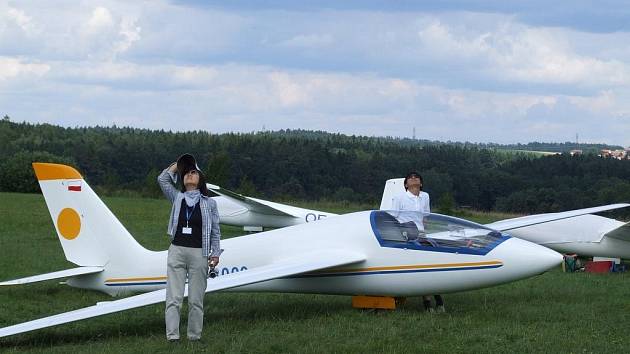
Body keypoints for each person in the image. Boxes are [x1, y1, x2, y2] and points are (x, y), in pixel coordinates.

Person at [158, 153, 221, 342]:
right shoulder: (177, 198)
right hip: (177, 251)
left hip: (199, 254)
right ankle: (173, 337)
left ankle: (194, 337)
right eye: (187, 173)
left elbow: (216, 230)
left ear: (201, 179)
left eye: (194, 172)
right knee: (174, 298)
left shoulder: (209, 203)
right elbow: (162, 179)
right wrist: (178, 165)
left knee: (195, 300)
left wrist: (215, 253)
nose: (189, 175)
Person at [392, 171, 445, 313]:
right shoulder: (399, 197)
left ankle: (438, 299)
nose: (414, 179)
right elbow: (393, 218)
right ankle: (428, 302)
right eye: (410, 178)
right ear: (406, 184)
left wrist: (425, 235)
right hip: (407, 236)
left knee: (434, 264)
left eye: (417, 178)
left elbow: (425, 217)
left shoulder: (425, 196)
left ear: (421, 183)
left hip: (422, 235)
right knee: (423, 266)